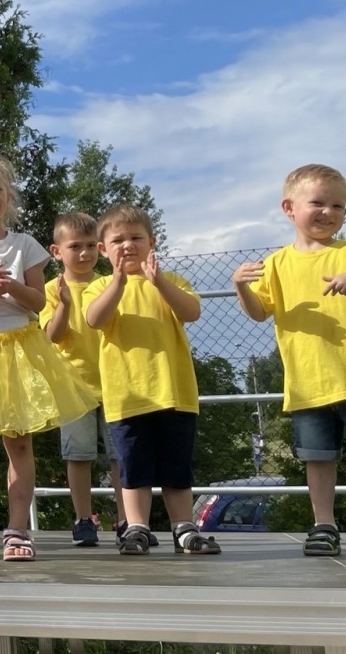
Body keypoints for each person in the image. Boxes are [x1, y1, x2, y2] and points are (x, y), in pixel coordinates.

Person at [232, 164, 346, 557]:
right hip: (306, 383)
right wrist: (239, 286)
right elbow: (259, 311)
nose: (328, 212)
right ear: (289, 207)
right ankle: (324, 526)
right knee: (317, 461)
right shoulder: (277, 263)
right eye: (317, 202)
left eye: (338, 205)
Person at [0, 157, 97, 562]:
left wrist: (10, 289)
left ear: (8, 198)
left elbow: (37, 299)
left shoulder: (25, 246)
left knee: (19, 441)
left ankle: (17, 528)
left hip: (18, 347)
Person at [83, 204, 219, 556]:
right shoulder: (98, 286)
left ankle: (183, 529)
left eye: (135, 238)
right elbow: (95, 319)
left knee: (177, 467)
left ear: (151, 241)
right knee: (133, 468)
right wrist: (117, 282)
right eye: (118, 240)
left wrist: (157, 281)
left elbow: (191, 311)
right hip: (126, 397)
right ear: (103, 249)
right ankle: (136, 528)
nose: (127, 245)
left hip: (174, 393)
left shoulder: (171, 281)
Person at [40, 211, 126, 547]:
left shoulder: (110, 284)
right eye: (75, 246)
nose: (85, 253)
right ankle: (83, 519)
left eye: (91, 245)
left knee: (121, 456)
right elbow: (52, 336)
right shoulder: (51, 289)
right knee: (78, 456)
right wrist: (63, 305)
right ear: (56, 251)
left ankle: (127, 519)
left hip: (117, 382)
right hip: (73, 385)